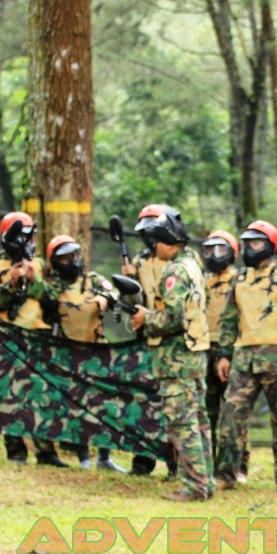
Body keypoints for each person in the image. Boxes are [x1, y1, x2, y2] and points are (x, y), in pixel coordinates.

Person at [214, 221, 277, 495]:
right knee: (231, 416)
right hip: (243, 358)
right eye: (247, 244)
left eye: (255, 244)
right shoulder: (239, 278)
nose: (249, 249)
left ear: (269, 246)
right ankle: (226, 474)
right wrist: (223, 355)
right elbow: (230, 320)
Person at [131, 207, 214, 501]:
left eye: (152, 241)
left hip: (177, 357)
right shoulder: (192, 261)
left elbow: (174, 317)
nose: (151, 249)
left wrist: (145, 320)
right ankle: (206, 481)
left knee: (183, 423)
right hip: (194, 353)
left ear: (164, 239)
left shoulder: (176, 270)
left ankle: (195, 486)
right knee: (199, 421)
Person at [0, 211, 67, 467]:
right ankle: (15, 451)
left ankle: (46, 452)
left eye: (29, 236)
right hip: (6, 337)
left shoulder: (40, 264)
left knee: (41, 395)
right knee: (9, 395)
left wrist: (32, 279)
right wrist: (11, 282)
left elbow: (55, 297)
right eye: (21, 236)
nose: (26, 242)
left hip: (37, 336)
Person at [44, 234, 126, 472]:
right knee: (76, 408)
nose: (73, 261)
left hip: (98, 351)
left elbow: (115, 294)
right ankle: (83, 458)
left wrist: (104, 298)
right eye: (66, 258)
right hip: (68, 354)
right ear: (56, 262)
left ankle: (104, 457)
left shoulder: (92, 280)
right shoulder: (54, 286)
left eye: (75, 255)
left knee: (106, 406)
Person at [122, 203, 174, 477]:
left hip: (175, 342)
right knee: (143, 402)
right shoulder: (140, 262)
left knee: (176, 406)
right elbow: (134, 304)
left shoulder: (183, 262)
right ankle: (143, 461)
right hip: (147, 343)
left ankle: (177, 463)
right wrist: (129, 283)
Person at [201, 230, 249, 483]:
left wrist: (229, 352)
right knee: (208, 411)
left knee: (233, 411)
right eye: (209, 250)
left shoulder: (240, 280)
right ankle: (210, 463)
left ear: (232, 253)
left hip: (230, 350)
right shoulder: (201, 280)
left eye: (220, 250)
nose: (213, 256)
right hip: (203, 348)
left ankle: (239, 465)